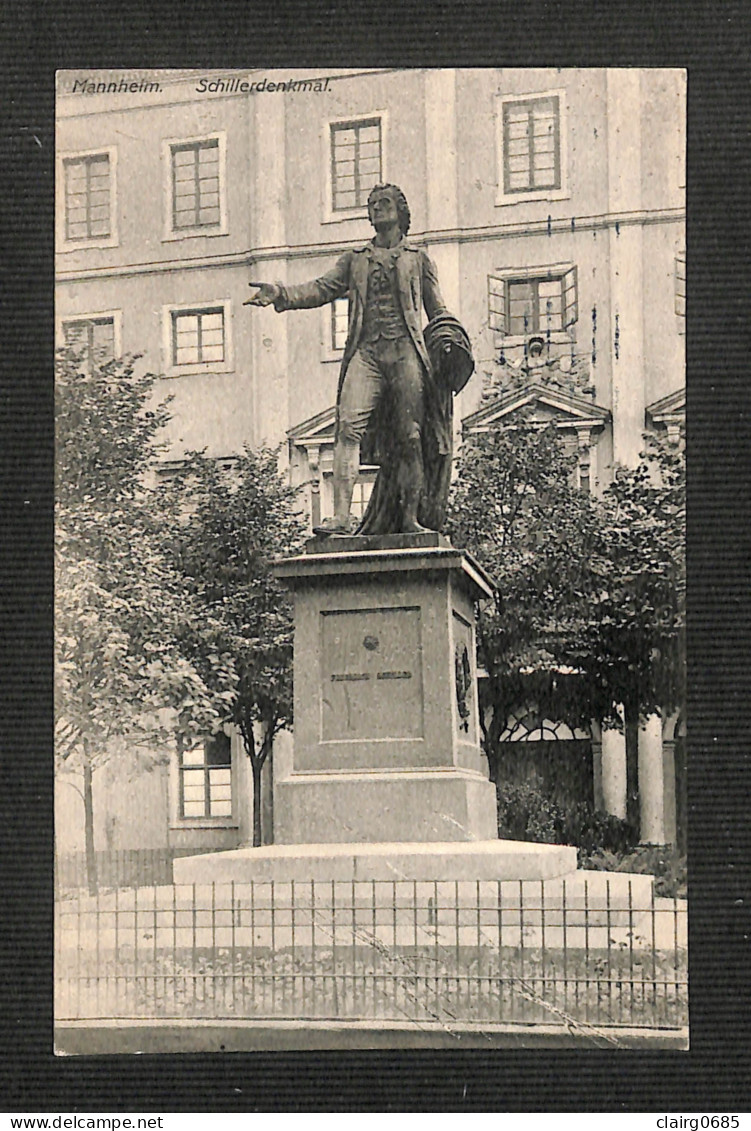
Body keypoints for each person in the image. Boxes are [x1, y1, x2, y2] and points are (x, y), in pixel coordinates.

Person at [246, 183, 472, 536]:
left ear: (400, 210)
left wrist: (450, 343)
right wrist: (282, 294)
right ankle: (340, 517)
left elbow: (437, 309)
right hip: (366, 354)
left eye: (383, 203)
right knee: (347, 427)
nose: (375, 209)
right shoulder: (355, 259)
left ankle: (411, 519)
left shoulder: (418, 258)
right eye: (371, 205)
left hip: (405, 354)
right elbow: (322, 288)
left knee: (411, 436)